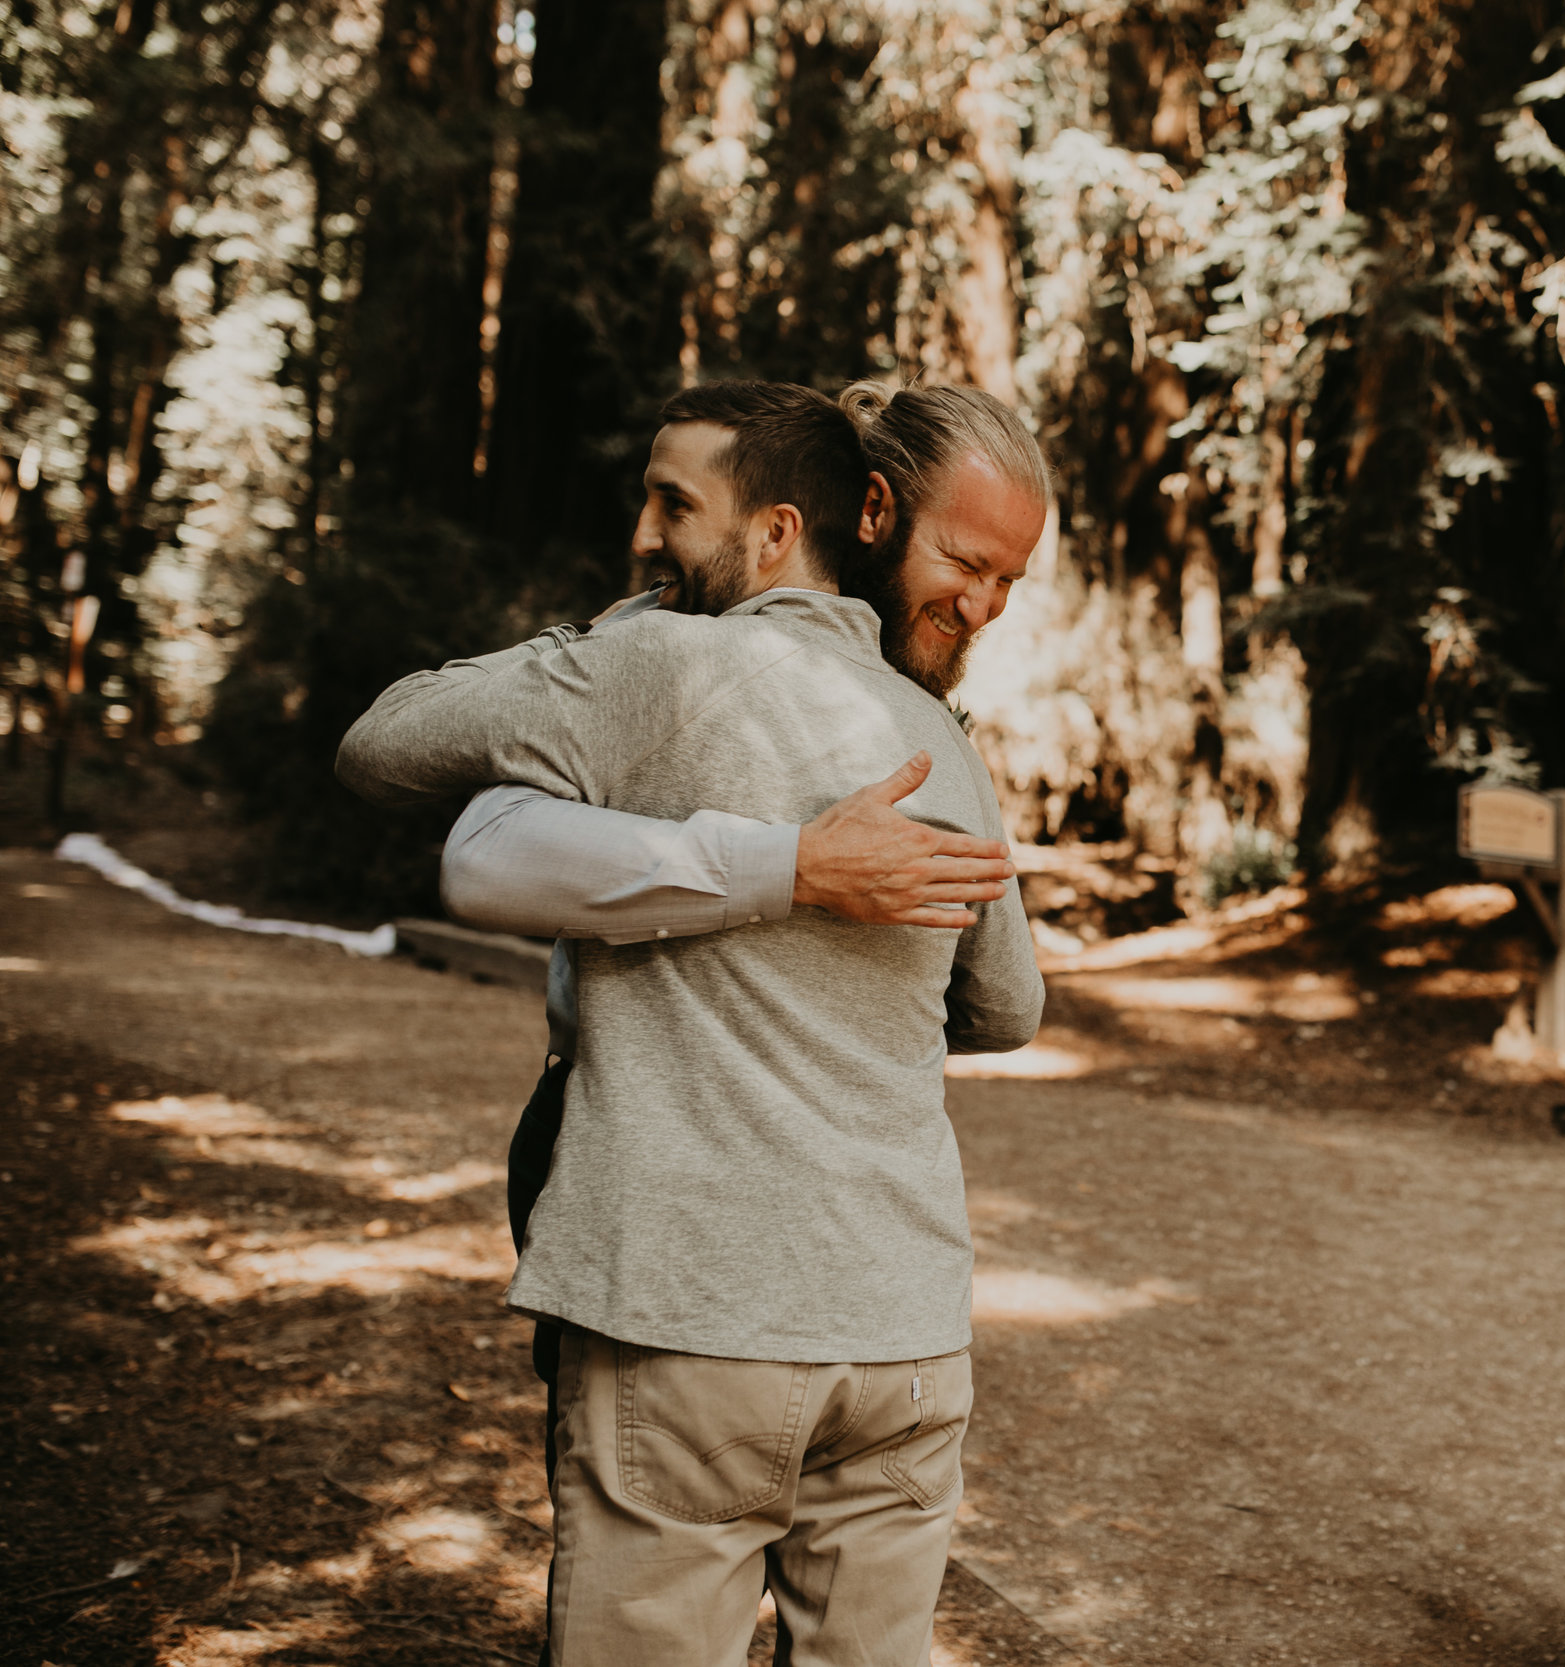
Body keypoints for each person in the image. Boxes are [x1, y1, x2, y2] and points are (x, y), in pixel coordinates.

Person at [336, 377, 1050, 1666]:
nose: (650, 531)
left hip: (688, 1316)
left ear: (781, 528)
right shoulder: (932, 733)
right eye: (967, 562)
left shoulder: (654, 664)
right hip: (903, 1337)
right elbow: (1004, 1003)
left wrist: (600, 646)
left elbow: (384, 743)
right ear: (874, 521)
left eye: (673, 504)